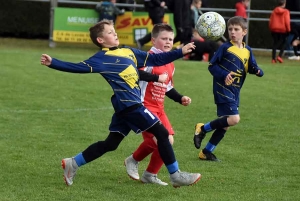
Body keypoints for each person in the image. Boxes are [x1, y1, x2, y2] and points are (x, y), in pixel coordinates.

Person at [40, 19, 201, 187]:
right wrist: (53, 63)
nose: (115, 33)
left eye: (114, 30)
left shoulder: (127, 51)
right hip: (131, 106)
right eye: (110, 32)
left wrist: (179, 52)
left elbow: (157, 60)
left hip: (125, 108)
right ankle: (175, 175)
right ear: (101, 40)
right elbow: (77, 67)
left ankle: (73, 163)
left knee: (111, 143)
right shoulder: (101, 59)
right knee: (162, 133)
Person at [124, 23, 192, 186]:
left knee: (168, 141)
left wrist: (180, 98)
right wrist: (153, 77)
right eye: (164, 38)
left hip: (159, 108)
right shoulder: (146, 58)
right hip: (143, 106)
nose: (168, 42)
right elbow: (134, 74)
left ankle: (150, 174)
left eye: (171, 39)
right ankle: (133, 160)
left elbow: (167, 86)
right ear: (153, 40)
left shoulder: (170, 63)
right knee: (159, 140)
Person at [193, 16, 264, 161]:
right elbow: (212, 66)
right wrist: (224, 74)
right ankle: (202, 128)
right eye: (230, 29)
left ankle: (206, 152)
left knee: (226, 124)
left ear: (244, 32)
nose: (232, 32)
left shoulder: (247, 50)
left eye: (236, 29)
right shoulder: (225, 47)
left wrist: (258, 71)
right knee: (234, 119)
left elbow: (251, 67)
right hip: (222, 88)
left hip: (235, 90)